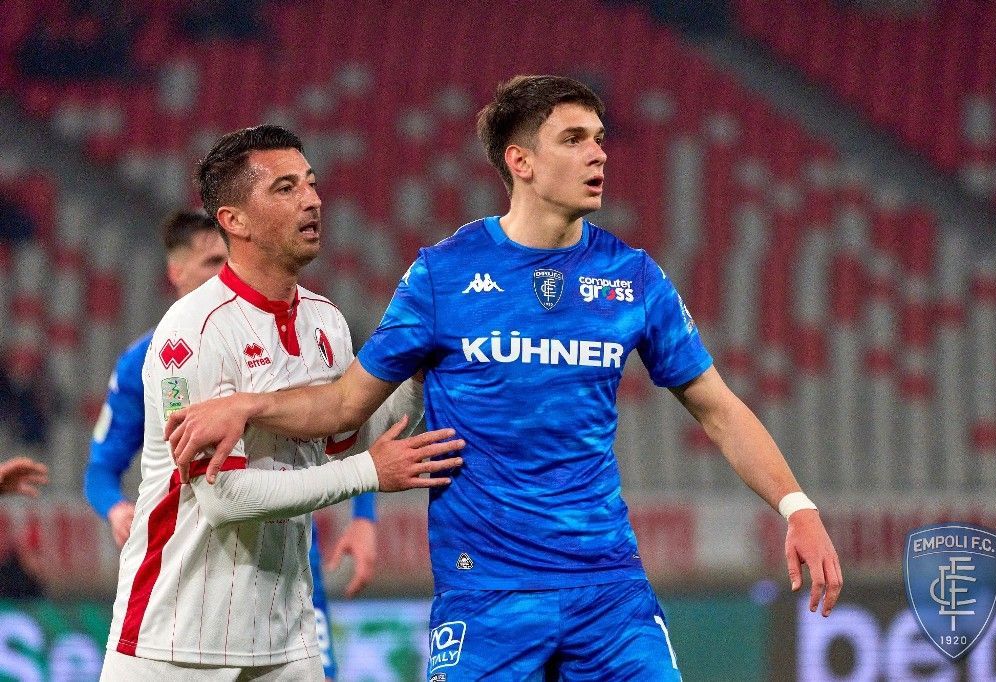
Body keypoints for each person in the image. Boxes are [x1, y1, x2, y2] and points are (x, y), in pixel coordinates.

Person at [165, 77, 842, 680]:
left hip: (608, 589)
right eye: (573, 140)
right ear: (521, 162)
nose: (598, 155)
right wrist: (247, 407)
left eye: (599, 139)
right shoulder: (443, 274)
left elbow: (719, 410)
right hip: (485, 594)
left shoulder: (633, 277)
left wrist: (797, 507)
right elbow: (344, 405)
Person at [100, 125, 464, 681]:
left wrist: (413, 375)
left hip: (285, 636)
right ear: (235, 221)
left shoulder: (326, 322)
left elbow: (349, 438)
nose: (312, 200)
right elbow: (225, 498)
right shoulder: (192, 331)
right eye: (286, 188)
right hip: (174, 640)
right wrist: (369, 474)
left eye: (311, 184)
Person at [83, 208, 374, 679]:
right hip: (186, 610)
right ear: (176, 271)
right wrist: (116, 509)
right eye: (211, 262)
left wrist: (364, 517)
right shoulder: (158, 355)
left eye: (228, 258)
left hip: (291, 585)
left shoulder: (311, 327)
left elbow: (345, 424)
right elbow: (101, 470)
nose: (225, 271)